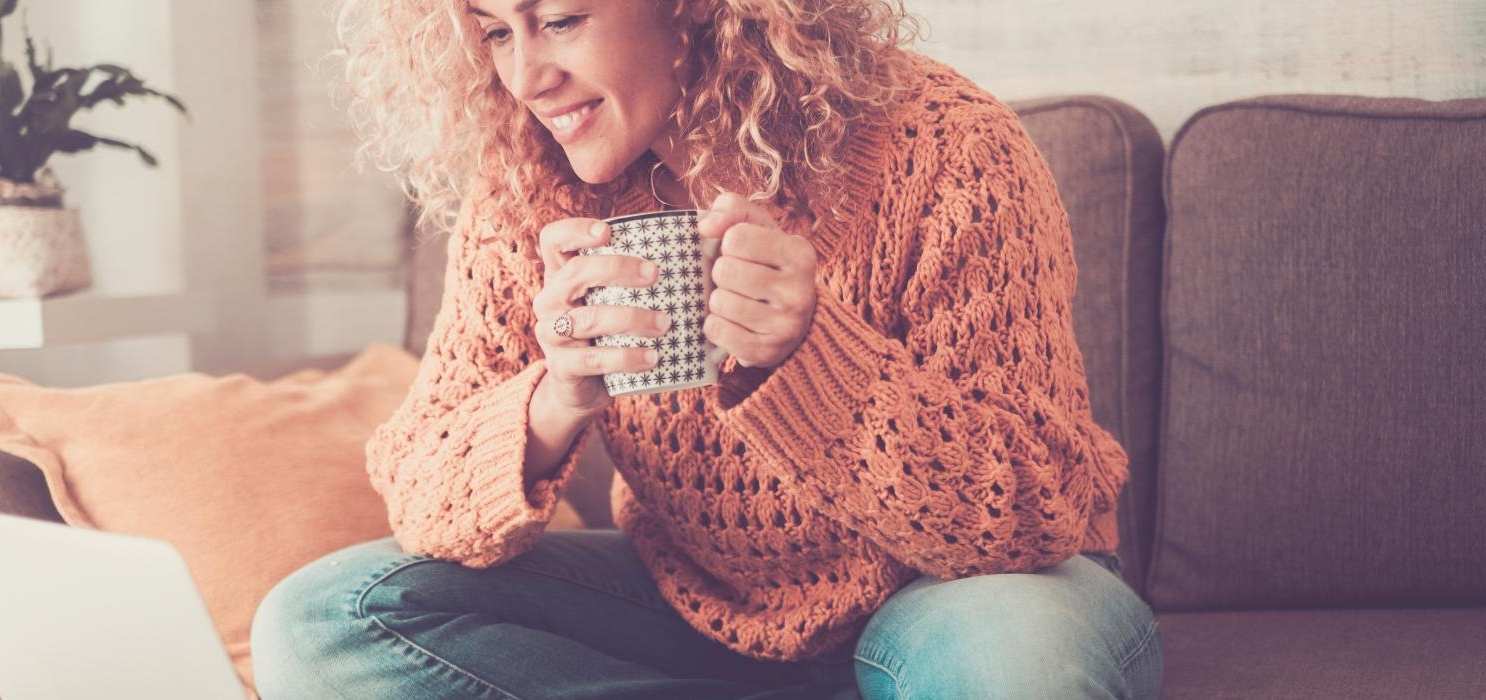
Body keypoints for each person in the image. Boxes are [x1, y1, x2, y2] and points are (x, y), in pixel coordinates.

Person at [251, 0, 1163, 697]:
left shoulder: (947, 147)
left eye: (560, 20)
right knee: (324, 619)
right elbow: (421, 489)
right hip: (692, 609)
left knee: (1017, 657)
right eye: (494, 32)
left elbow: (1033, 508)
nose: (525, 77)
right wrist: (553, 397)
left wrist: (809, 359)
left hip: (953, 596)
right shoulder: (529, 187)